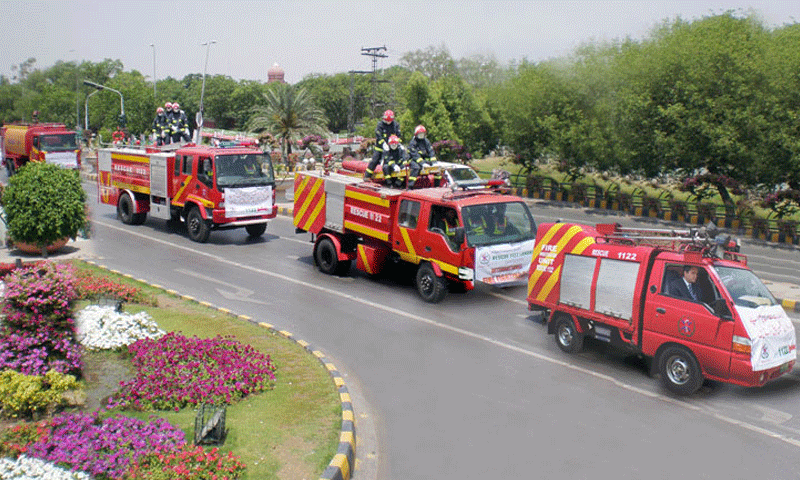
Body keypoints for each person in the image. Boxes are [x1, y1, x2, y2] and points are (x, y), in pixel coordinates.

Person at [365, 110, 401, 180]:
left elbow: (398, 136)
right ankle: (367, 176)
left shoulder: (395, 125)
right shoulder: (380, 125)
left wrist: (398, 144)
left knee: (392, 162)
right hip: (380, 147)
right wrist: (383, 144)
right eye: (386, 121)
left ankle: (393, 178)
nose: (388, 123)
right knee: (374, 160)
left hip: (391, 148)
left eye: (389, 121)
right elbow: (378, 135)